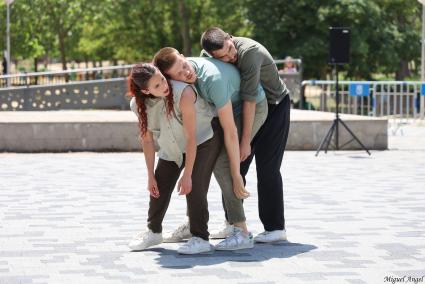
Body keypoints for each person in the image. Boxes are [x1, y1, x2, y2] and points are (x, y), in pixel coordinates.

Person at [153, 47, 268, 250]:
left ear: (182, 55)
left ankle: (242, 232)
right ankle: (194, 224)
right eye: (179, 74)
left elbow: (230, 131)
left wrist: (236, 172)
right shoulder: (173, 81)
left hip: (249, 107)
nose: (186, 73)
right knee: (199, 165)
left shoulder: (211, 80)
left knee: (223, 166)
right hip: (225, 107)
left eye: (184, 66)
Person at [200, 27, 291, 243]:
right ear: (213, 56)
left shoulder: (250, 52)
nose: (231, 56)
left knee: (267, 168)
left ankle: (275, 228)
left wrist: (245, 141)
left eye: (230, 50)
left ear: (230, 38)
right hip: (244, 110)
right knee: (233, 164)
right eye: (223, 57)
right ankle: (233, 223)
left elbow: (251, 100)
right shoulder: (208, 56)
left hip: (274, 107)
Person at [127, 63, 223, 254]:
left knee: (194, 185)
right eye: (156, 86)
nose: (164, 86)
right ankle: (153, 232)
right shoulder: (138, 105)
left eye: (162, 79)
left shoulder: (183, 93)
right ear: (145, 91)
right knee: (158, 186)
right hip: (172, 146)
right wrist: (150, 176)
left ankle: (200, 238)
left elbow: (191, 138)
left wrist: (187, 174)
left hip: (203, 140)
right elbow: (147, 141)